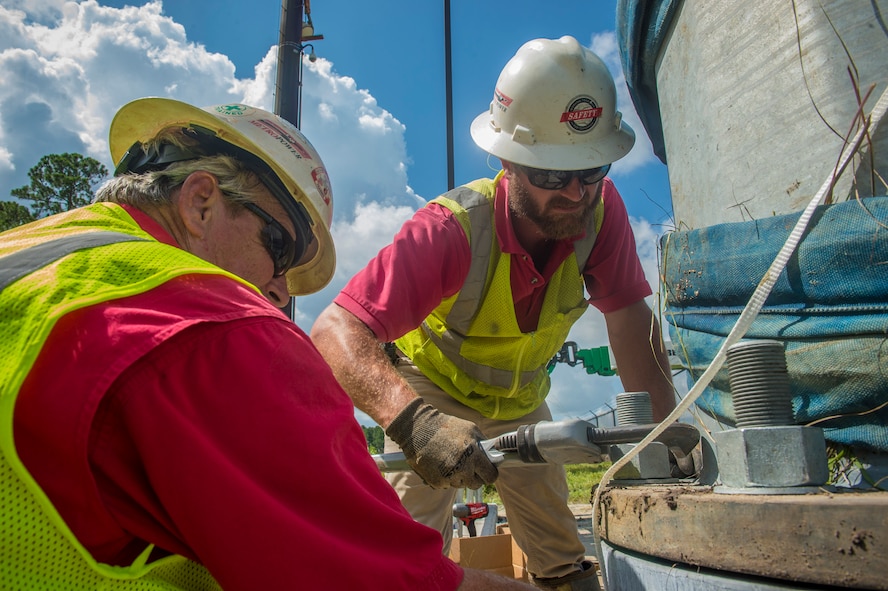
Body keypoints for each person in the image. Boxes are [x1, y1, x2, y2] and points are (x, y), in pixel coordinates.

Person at [0, 97, 535, 591]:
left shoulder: (32, 252)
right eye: (280, 249)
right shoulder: (214, 327)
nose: (279, 290)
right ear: (201, 203)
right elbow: (394, 583)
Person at [311, 36, 676, 591]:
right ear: (510, 161)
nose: (576, 193)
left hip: (521, 400)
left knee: (563, 560)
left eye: (591, 169)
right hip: (431, 390)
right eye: (553, 175)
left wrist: (664, 442)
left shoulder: (602, 214)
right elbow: (336, 330)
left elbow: (627, 319)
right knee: (403, 553)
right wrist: (414, 424)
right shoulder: (450, 230)